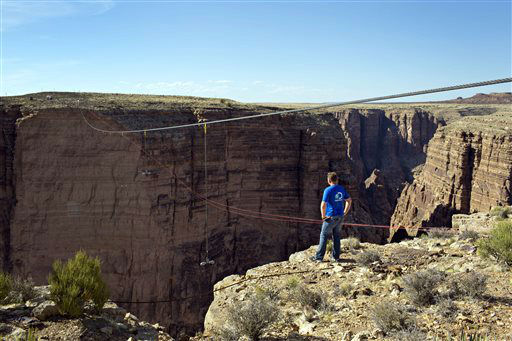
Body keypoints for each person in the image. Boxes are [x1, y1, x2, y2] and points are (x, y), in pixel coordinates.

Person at [310, 172, 352, 262]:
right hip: (340, 216)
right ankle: (335, 257)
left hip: (330, 217)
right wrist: (345, 212)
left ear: (329, 180)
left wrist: (323, 216)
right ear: (337, 180)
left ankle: (319, 257)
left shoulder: (328, 190)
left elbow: (323, 205)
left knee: (323, 235)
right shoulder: (341, 189)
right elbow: (349, 200)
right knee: (336, 236)